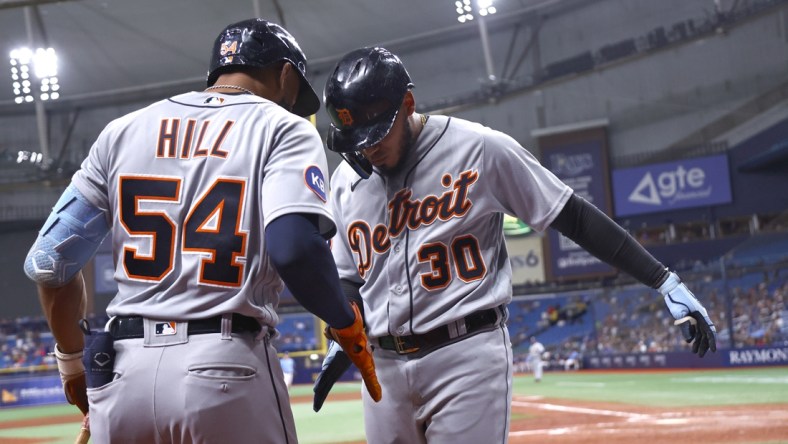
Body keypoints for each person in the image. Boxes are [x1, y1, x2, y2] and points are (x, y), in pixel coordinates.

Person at [312, 46, 717, 443]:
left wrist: (663, 280)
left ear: (408, 103)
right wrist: (344, 332)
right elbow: (349, 277)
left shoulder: (479, 148)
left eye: (376, 134)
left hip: (464, 356)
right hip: (382, 366)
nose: (368, 148)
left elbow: (572, 215)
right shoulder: (346, 182)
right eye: (356, 141)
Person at [22, 19, 381, 444]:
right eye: (294, 91)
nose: (292, 103)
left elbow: (49, 262)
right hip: (226, 366)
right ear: (286, 74)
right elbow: (295, 249)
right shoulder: (283, 127)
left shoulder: (123, 130)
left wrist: (72, 364)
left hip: (123, 372)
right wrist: (344, 323)